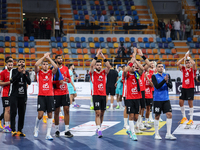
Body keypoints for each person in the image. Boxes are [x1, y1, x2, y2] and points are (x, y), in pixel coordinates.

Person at [33, 52, 58, 140]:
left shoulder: (51, 72)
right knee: (40, 115)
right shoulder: (38, 72)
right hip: (41, 96)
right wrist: (44, 57)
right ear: (41, 66)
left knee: (50, 114)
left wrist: (49, 58)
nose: (45, 65)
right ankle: (36, 129)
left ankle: (48, 134)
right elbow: (36, 64)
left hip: (50, 96)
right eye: (43, 64)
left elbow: (56, 67)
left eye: (46, 64)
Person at [123, 48, 144, 141]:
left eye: (133, 67)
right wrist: (132, 61)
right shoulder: (127, 75)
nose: (132, 67)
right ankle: (133, 133)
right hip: (129, 98)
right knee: (131, 116)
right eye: (131, 66)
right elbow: (125, 71)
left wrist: (136, 61)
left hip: (137, 97)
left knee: (136, 117)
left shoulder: (137, 74)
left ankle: (130, 130)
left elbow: (142, 69)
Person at [152, 62, 176, 140]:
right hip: (157, 99)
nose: (161, 68)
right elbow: (157, 86)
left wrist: (167, 81)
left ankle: (168, 134)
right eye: (159, 67)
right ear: (156, 68)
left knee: (169, 114)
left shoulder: (167, 75)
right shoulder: (154, 76)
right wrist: (164, 81)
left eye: (162, 66)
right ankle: (157, 134)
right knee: (157, 116)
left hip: (166, 99)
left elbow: (171, 86)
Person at [90, 49, 111, 138]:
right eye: (97, 65)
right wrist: (97, 55)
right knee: (97, 113)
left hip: (103, 95)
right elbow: (91, 65)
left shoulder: (104, 73)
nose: (99, 66)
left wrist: (103, 57)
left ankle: (99, 127)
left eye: (100, 65)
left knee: (102, 113)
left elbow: (109, 66)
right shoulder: (93, 73)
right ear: (95, 66)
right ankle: (98, 129)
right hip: (96, 95)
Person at [53, 55, 74, 138]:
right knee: (56, 112)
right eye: (58, 58)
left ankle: (67, 130)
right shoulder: (53, 69)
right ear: (55, 60)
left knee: (67, 110)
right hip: (56, 93)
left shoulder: (65, 68)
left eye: (61, 58)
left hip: (65, 93)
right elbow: (51, 81)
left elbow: (69, 79)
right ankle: (57, 130)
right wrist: (58, 82)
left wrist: (68, 80)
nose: (60, 59)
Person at [9, 59, 31, 137]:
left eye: (23, 62)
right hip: (14, 95)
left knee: (22, 113)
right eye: (20, 62)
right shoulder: (14, 71)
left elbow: (29, 82)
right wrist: (18, 72)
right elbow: (12, 80)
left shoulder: (26, 72)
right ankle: (13, 130)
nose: (21, 63)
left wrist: (24, 74)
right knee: (13, 112)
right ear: (17, 63)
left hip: (23, 96)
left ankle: (20, 130)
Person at [176, 52, 196, 125]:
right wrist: (184, 58)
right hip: (184, 87)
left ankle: (191, 119)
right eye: (186, 63)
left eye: (188, 63)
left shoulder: (193, 70)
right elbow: (177, 64)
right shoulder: (183, 69)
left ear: (189, 64)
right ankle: (184, 117)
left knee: (190, 103)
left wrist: (188, 58)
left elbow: (194, 64)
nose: (188, 64)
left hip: (190, 87)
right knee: (180, 102)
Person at [0, 60, 13, 132]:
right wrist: (9, 82)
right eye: (9, 65)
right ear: (6, 65)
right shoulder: (3, 72)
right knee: (7, 109)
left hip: (12, 94)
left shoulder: (14, 72)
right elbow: (0, 83)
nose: (10, 66)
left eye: (11, 65)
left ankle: (8, 125)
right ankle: (6, 126)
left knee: (10, 110)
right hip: (5, 93)